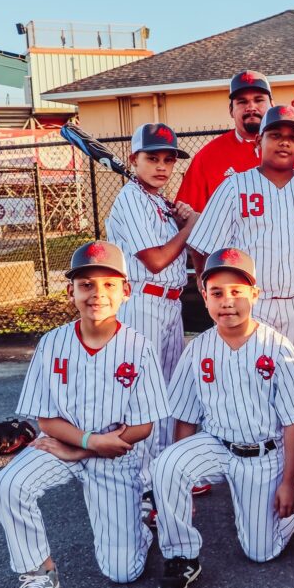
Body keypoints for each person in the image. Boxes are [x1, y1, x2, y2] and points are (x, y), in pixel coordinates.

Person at [0, 241, 170, 588]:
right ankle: (39, 575)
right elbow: (46, 421)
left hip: (117, 456)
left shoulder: (139, 348)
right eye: (86, 285)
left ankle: (140, 516)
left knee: (123, 572)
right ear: (70, 291)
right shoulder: (52, 342)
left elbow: (142, 426)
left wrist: (86, 450)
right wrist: (86, 444)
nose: (97, 294)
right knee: (9, 484)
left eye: (108, 285)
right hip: (62, 446)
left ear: (126, 290)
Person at [152, 248, 294, 588]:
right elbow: (185, 417)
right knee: (166, 464)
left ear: (255, 295)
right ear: (204, 296)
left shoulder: (276, 347)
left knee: (260, 552)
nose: (227, 302)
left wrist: (290, 483)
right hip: (216, 445)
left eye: (237, 292)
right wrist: (181, 483)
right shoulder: (198, 348)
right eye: (217, 293)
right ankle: (181, 557)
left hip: (263, 455)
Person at [186, 106, 294, 493]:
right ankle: (256, 467)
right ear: (259, 142)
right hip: (256, 304)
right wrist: (212, 293)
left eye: (292, 136)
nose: (284, 142)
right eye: (275, 135)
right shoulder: (235, 187)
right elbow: (203, 246)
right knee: (256, 387)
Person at [106, 123, 198, 504]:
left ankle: (162, 473)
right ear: (134, 160)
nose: (162, 166)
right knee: (144, 396)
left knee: (167, 394)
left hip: (170, 304)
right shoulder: (130, 198)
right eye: (152, 158)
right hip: (144, 299)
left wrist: (179, 218)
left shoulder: (157, 201)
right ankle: (144, 485)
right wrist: (190, 225)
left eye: (168, 159)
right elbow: (157, 260)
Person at [174, 70, 294, 213]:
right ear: (231, 110)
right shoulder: (207, 157)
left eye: (258, 100)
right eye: (242, 102)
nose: (251, 107)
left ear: (272, 105)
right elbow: (188, 215)